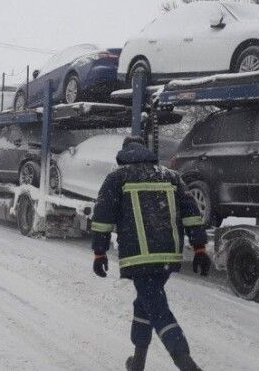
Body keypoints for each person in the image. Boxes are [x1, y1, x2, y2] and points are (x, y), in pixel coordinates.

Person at [91, 136, 211, 371]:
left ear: (123, 155)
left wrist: (99, 252)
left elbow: (103, 218)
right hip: (168, 257)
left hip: (139, 258)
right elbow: (192, 214)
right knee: (145, 303)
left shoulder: (118, 178)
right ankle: (138, 362)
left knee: (157, 309)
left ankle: (186, 363)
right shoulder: (171, 176)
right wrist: (199, 248)